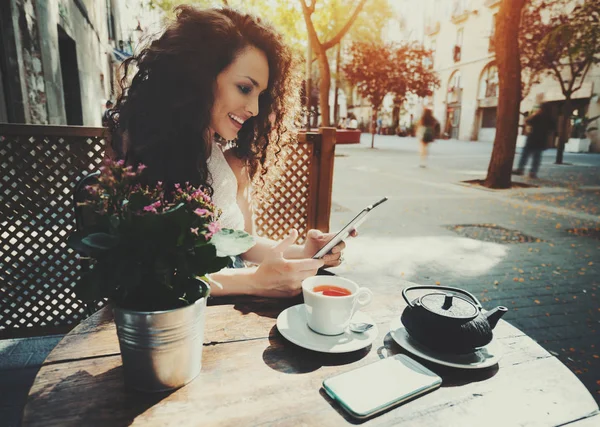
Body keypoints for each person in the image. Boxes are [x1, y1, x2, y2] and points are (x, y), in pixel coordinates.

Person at [107, 6, 350, 298]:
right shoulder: (140, 150)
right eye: (245, 88)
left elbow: (238, 243)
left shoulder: (220, 153)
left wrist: (305, 252)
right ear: (198, 76)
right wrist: (253, 281)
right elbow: (151, 274)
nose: (255, 109)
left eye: (261, 95)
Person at [513, 103, 554, 179]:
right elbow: (552, 129)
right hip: (541, 140)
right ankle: (533, 172)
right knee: (536, 157)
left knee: (525, 155)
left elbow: (528, 121)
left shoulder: (537, 116)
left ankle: (520, 169)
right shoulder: (549, 118)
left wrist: (534, 114)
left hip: (532, 139)